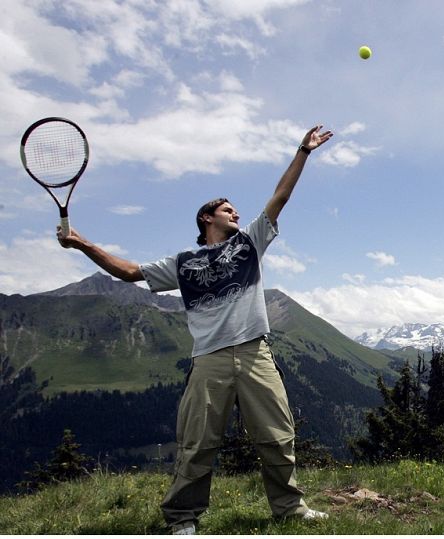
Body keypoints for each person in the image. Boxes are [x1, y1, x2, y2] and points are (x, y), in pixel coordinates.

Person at [57, 125, 334, 535]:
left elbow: (280, 198)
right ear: (207, 218)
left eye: (237, 210)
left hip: (255, 352)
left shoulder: (250, 244)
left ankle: (289, 509)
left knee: (277, 436)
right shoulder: (183, 262)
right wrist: (83, 244)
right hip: (209, 360)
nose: (236, 214)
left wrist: (303, 152)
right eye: (227, 210)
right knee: (197, 443)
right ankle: (183, 519)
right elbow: (129, 272)